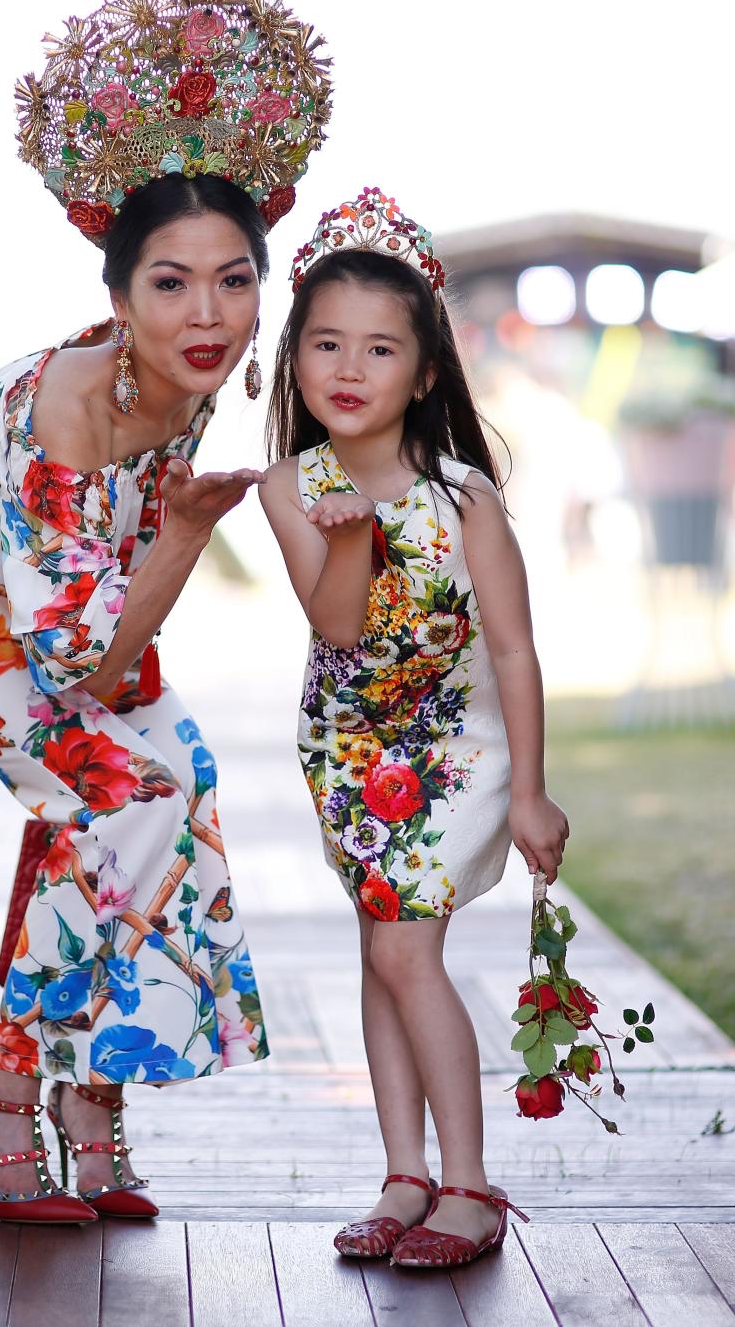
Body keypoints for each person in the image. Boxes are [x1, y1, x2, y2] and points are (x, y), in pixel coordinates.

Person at [0, 0, 332, 1225]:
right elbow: (75, 669)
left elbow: (108, 623)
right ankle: (4, 1089)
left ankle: (91, 1087)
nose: (206, 313)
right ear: (118, 298)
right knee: (125, 788)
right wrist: (184, 535)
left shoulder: (196, 383)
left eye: (232, 280)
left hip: (60, 606)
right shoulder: (72, 400)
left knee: (180, 773)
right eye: (170, 282)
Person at [258, 189, 568, 1268]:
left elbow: (517, 651)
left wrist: (530, 788)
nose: (349, 367)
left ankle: (472, 1189)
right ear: (295, 357)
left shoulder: (463, 496)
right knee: (379, 953)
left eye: (380, 348)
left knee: (404, 951)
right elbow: (338, 622)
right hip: (347, 754)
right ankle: (404, 1174)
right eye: (326, 342)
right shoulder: (292, 485)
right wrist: (346, 532)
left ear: (425, 372)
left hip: (451, 754)